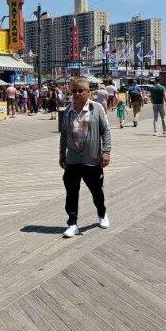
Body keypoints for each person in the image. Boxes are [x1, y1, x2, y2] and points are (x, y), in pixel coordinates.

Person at [59, 77, 111, 239]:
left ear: (88, 92)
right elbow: (64, 134)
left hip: (92, 158)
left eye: (80, 90)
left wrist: (106, 151)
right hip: (73, 159)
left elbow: (105, 131)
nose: (76, 93)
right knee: (71, 192)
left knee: (96, 191)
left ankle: (102, 214)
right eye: (74, 91)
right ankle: (72, 223)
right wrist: (62, 154)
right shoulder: (68, 110)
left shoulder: (97, 108)